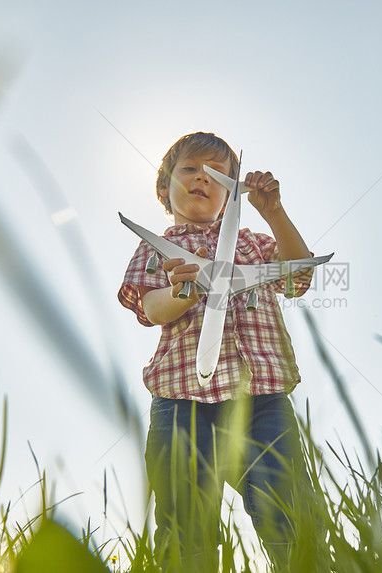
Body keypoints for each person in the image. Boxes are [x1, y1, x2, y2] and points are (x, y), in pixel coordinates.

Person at [118, 132, 320, 571]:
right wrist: (185, 292)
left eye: (218, 175)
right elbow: (150, 307)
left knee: (286, 506)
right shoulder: (156, 245)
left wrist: (275, 213)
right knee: (184, 517)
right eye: (190, 169)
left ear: (232, 196)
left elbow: (296, 276)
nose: (203, 180)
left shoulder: (250, 244)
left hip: (261, 399)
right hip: (180, 401)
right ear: (163, 186)